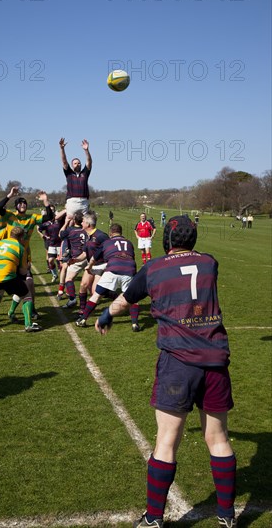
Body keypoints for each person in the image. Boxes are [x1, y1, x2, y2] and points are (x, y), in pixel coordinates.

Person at [95, 216, 237, 528]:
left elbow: (125, 300)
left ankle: (154, 518)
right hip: (215, 360)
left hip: (178, 362)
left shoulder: (154, 268)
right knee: (218, 438)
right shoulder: (210, 262)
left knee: (167, 440)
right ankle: (227, 515)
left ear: (167, 239)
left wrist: (106, 314)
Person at [0, 186, 54, 321]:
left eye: (24, 203)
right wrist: (9, 195)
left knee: (29, 284)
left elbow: (50, 217)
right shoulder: (10, 216)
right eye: (20, 203)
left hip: (24, 258)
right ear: (16, 206)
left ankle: (31, 309)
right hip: (9, 257)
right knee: (2, 286)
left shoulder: (32, 217)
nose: (22, 205)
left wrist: (46, 200)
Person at [76, 224, 140, 331]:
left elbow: (94, 258)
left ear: (110, 233)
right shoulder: (129, 243)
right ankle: (134, 323)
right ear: (121, 232)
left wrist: (89, 267)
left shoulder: (106, 242)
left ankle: (83, 319)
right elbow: (131, 257)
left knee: (96, 295)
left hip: (113, 269)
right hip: (129, 270)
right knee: (132, 299)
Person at [59, 137, 92, 216]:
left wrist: (86, 150)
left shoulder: (85, 173)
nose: (77, 164)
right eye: (75, 163)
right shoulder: (69, 173)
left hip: (84, 201)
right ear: (72, 165)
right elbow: (64, 161)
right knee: (70, 221)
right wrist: (62, 149)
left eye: (79, 163)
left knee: (85, 223)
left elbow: (89, 162)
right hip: (72, 201)